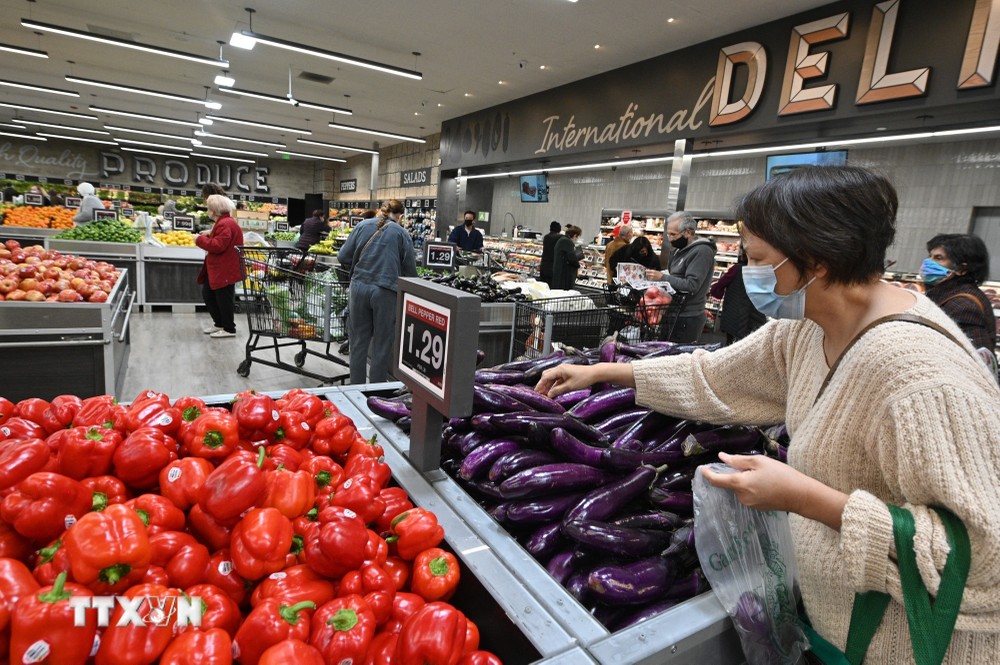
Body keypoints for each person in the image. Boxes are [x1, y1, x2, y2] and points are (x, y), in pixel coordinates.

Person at [537, 166, 1000, 664]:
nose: (747, 271)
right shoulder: (810, 324)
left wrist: (808, 499)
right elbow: (718, 376)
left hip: (902, 647)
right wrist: (609, 374)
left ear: (817, 259)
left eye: (756, 258)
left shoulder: (920, 378)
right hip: (838, 627)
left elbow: (983, 560)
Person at [337, 199, 417, 384]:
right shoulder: (401, 233)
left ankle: (355, 388)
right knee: (382, 343)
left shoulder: (362, 225)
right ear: (400, 215)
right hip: (386, 291)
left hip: (358, 289)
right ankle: (376, 391)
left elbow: (343, 256)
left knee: (357, 341)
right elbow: (411, 272)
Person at [645, 211, 717, 343]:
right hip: (673, 312)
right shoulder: (678, 250)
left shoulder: (702, 251)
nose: (670, 239)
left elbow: (692, 285)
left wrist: (662, 277)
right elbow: (676, 276)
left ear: (688, 232)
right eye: (668, 234)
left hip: (688, 316)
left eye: (673, 234)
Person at [922, 233, 996, 351]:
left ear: (962, 269)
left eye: (938, 258)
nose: (927, 262)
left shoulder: (963, 306)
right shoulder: (948, 293)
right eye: (930, 256)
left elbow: (977, 359)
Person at [195, 195, 244, 338]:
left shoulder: (225, 224)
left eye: (209, 208)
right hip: (220, 267)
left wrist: (199, 239)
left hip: (225, 268)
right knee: (209, 294)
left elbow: (218, 246)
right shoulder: (225, 222)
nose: (207, 210)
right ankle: (219, 323)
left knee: (223, 299)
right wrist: (210, 233)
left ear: (214, 210)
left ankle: (229, 328)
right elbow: (222, 239)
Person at [709, 245, 766, 345]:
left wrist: (714, 292)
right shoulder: (765, 272)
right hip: (755, 317)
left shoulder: (737, 269)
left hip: (735, 315)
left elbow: (718, 288)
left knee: (731, 346)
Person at [551, 224, 583, 290]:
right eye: (577, 237)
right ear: (575, 235)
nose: (577, 239)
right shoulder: (567, 242)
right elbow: (571, 258)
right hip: (564, 274)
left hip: (559, 272)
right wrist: (578, 265)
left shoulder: (562, 239)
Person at [539, 220, 562, 287]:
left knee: (543, 285)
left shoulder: (546, 237)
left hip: (544, 265)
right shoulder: (559, 238)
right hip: (552, 266)